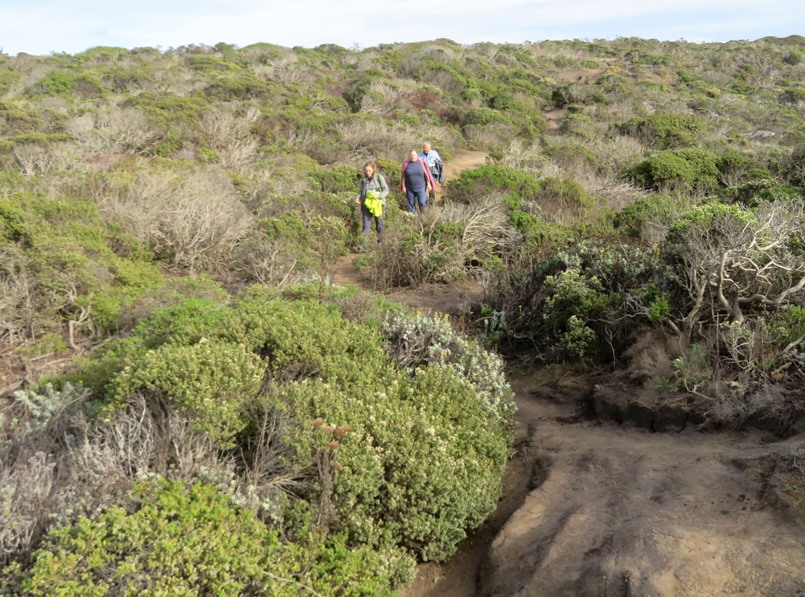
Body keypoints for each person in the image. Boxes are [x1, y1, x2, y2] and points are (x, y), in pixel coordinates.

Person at [355, 161, 389, 248]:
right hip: (367, 205)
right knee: (366, 225)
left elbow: (386, 190)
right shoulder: (363, 180)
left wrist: (379, 195)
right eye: (366, 170)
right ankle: (362, 245)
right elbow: (361, 192)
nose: (368, 172)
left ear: (373, 170)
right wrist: (358, 198)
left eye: (369, 170)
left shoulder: (379, 177)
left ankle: (380, 243)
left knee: (379, 224)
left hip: (378, 205)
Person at [400, 149, 435, 214]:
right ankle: (412, 218)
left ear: (417, 155)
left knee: (422, 202)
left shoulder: (421, 162)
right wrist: (403, 186)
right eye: (411, 155)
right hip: (409, 188)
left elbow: (426, 174)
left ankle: (423, 216)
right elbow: (403, 176)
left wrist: (429, 183)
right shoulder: (406, 164)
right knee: (411, 204)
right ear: (409, 156)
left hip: (421, 187)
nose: (413, 156)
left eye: (414, 155)